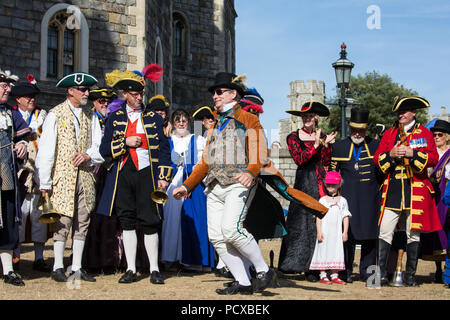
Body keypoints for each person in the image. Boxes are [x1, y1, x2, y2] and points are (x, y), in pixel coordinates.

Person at [172, 72, 275, 295]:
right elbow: (204, 163)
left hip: (239, 182)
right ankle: (243, 281)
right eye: (214, 93)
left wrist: (251, 171)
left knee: (231, 230)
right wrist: (187, 186)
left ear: (233, 94)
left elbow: (260, 152)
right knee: (217, 238)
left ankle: (263, 270)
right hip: (214, 186)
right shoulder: (215, 124)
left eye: (219, 92)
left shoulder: (249, 119)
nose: (214, 96)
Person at [97, 67, 172, 284]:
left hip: (147, 173)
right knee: (127, 220)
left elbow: (165, 150)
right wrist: (125, 142)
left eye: (141, 94)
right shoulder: (114, 118)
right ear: (125, 95)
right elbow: (104, 150)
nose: (139, 98)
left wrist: (163, 176)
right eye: (135, 94)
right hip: (123, 174)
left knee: (150, 221)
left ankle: (155, 269)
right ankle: (130, 269)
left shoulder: (153, 118)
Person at [36, 72, 103, 283]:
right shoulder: (55, 114)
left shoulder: (91, 117)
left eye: (87, 90)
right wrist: (44, 182)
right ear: (70, 91)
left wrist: (88, 155)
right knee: (62, 220)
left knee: (82, 221)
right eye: (82, 90)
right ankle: (57, 266)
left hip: (84, 176)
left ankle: (76, 266)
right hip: (62, 176)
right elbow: (46, 150)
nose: (86, 93)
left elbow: (98, 146)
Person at [374, 96, 442, 286]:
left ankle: (410, 276)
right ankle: (380, 275)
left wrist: (413, 154)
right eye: (398, 112)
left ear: (413, 113)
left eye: (404, 111)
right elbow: (377, 158)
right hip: (394, 188)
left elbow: (433, 158)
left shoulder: (425, 133)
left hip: (415, 189)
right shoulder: (389, 133)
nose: (400, 115)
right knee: (385, 230)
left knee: (414, 233)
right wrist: (391, 154)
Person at [278, 101, 337, 282]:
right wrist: (318, 145)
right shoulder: (293, 137)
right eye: (304, 116)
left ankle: (316, 268)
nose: (307, 118)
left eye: (310, 116)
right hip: (303, 182)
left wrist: (326, 146)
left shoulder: (322, 135)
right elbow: (300, 159)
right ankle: (293, 264)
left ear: (316, 118)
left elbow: (326, 161)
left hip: (319, 182)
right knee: (300, 221)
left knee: (318, 224)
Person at [161, 108, 215, 272]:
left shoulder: (197, 139)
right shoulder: (168, 140)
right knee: (171, 221)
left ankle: (194, 260)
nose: (181, 123)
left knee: (194, 219)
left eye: (184, 120)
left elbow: (202, 164)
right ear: (173, 123)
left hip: (192, 184)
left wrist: (191, 184)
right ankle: (171, 258)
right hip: (172, 184)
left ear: (189, 122)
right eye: (178, 120)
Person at [330, 108, 380, 282]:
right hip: (347, 199)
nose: (357, 133)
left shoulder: (376, 145)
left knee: (370, 235)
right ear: (350, 128)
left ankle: (370, 273)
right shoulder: (338, 147)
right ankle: (345, 270)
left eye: (361, 130)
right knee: (346, 236)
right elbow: (332, 175)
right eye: (354, 130)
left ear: (366, 130)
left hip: (370, 198)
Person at [10, 75, 50, 273]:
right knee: (19, 215)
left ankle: (39, 257)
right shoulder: (10, 115)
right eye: (28, 96)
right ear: (18, 99)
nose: (32, 99)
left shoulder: (43, 116)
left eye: (33, 96)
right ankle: (15, 257)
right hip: (16, 173)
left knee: (38, 216)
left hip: (38, 173)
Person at [0, 69, 31, 286]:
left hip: (6, 177)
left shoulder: (11, 113)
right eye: (3, 86)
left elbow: (24, 135)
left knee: (8, 221)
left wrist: (22, 144)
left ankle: (8, 270)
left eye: (8, 86)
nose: (8, 89)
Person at [421, 119, 450, 283]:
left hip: (448, 193)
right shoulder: (432, 153)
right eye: (434, 135)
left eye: (440, 135)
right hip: (435, 195)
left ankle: (447, 268)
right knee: (437, 232)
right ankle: (438, 269)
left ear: (446, 137)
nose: (436, 137)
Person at [310, 171, 351, 284]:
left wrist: (345, 232)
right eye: (328, 184)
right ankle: (323, 274)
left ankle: (334, 275)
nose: (331, 187)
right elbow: (318, 217)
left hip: (337, 233)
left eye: (333, 184)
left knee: (336, 251)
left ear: (339, 184)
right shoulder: (322, 200)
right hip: (325, 232)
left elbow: (346, 217)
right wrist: (319, 232)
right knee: (323, 251)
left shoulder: (343, 201)